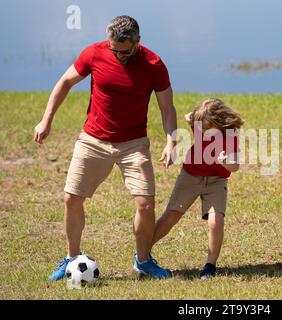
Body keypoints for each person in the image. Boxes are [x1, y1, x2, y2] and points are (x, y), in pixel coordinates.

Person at [33, 16, 177, 280]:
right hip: (93, 140)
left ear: (138, 42)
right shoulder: (94, 53)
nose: (120, 56)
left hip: (133, 144)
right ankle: (71, 258)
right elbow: (65, 82)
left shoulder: (153, 64)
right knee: (71, 198)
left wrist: (171, 140)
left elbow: (167, 108)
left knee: (145, 205)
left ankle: (143, 261)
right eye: (115, 50)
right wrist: (46, 120)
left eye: (125, 51)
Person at [149, 98, 243, 279]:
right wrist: (197, 114)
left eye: (207, 127)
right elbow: (188, 116)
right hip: (190, 176)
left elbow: (236, 166)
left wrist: (226, 162)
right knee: (171, 215)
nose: (203, 131)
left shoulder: (231, 134)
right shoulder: (199, 123)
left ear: (218, 122)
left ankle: (210, 266)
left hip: (217, 180)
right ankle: (143, 253)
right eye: (201, 126)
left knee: (216, 221)